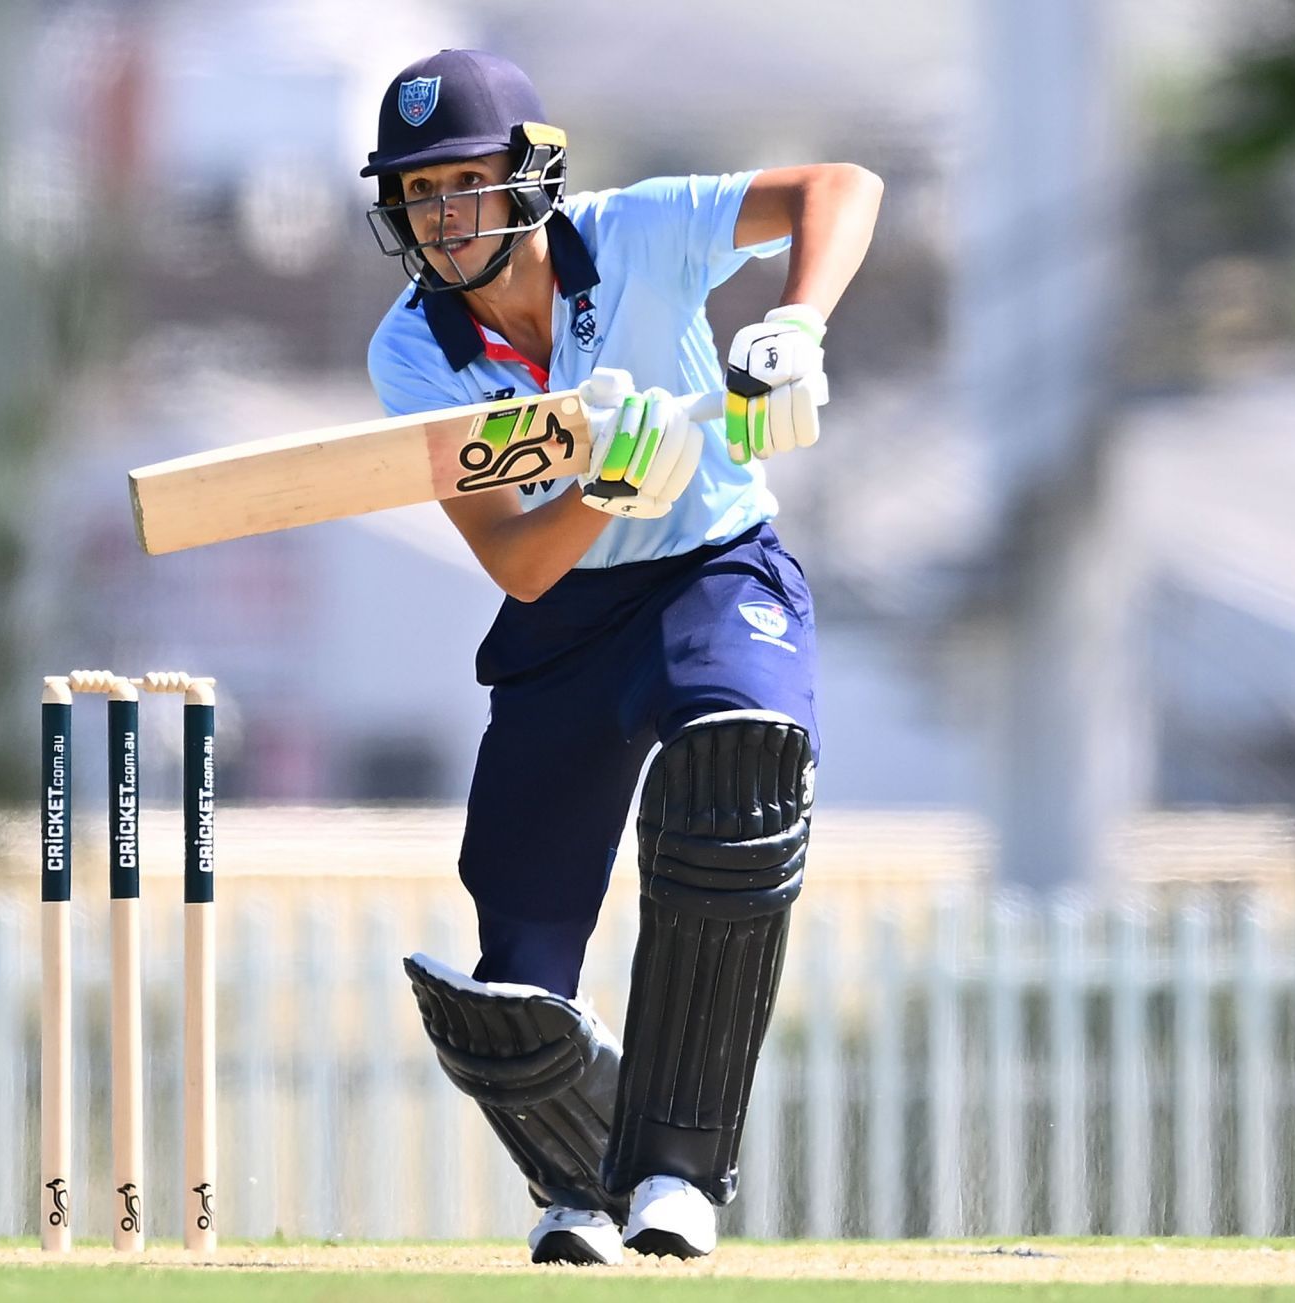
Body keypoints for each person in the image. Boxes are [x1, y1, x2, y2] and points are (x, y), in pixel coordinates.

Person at [364, 48, 881, 1264]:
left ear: (530, 177)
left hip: (713, 569)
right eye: (416, 193)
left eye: (463, 183)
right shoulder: (413, 356)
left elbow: (840, 187)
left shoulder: (640, 233)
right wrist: (602, 486)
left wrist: (795, 323)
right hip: (563, 619)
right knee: (512, 999)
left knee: (738, 772)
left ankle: (679, 1176)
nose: (439, 218)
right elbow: (521, 565)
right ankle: (578, 1174)